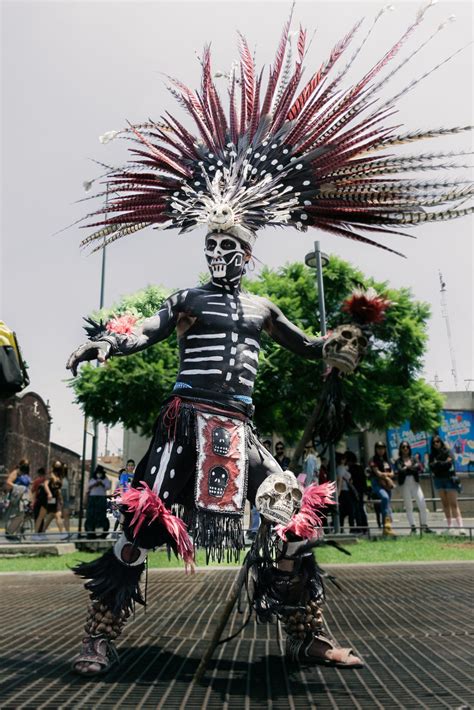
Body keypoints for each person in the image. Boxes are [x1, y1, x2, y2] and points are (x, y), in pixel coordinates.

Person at [64, 5, 470, 677]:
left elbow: (308, 345)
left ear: (247, 255)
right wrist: (105, 342)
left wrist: (340, 342)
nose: (221, 253)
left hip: (241, 430)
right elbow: (145, 329)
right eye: (212, 244)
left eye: (231, 246)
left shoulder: (262, 305)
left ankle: (307, 633)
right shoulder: (188, 300)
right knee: (135, 533)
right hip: (185, 425)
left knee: (290, 523)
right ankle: (97, 637)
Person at [393, 441, 433, 534]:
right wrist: (410, 468)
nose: (405, 448)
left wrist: (407, 468)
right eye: (403, 447)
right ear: (400, 449)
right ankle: (413, 527)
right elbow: (400, 471)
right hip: (404, 484)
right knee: (408, 506)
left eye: (407, 447)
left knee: (422, 504)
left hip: (415, 483)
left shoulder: (414, 458)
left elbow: (419, 468)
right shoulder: (398, 461)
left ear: (409, 448)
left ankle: (424, 526)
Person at [429, 436, 465, 535]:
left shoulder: (448, 451)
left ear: (441, 442)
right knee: (445, 504)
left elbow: (449, 464)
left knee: (453, 503)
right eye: (434, 442)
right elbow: (432, 467)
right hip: (438, 480)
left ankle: (461, 527)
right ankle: (450, 526)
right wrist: (442, 464)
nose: (436, 443)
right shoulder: (432, 455)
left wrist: (438, 464)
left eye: (437, 441)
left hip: (449, 479)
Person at [368, 442, 395, 536]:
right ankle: (385, 525)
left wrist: (386, 476)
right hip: (377, 484)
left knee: (387, 504)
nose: (381, 450)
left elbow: (392, 473)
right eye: (379, 448)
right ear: (375, 449)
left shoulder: (387, 460)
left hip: (387, 485)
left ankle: (387, 528)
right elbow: (377, 473)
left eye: (383, 448)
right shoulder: (372, 460)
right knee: (385, 498)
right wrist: (387, 477)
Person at [34, 461, 66, 538]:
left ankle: (62, 533)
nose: (58, 467)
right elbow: (45, 484)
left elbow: (57, 489)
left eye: (59, 465)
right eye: (56, 465)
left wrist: (60, 497)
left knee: (57, 515)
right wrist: (49, 493)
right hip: (49, 498)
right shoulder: (51, 475)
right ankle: (35, 535)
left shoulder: (59, 476)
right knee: (42, 515)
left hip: (55, 498)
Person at [4, 459, 31, 540]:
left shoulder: (25, 474)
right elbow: (8, 482)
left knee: (21, 514)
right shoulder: (16, 472)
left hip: (24, 496)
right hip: (17, 496)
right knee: (20, 514)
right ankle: (9, 532)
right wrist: (17, 487)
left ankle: (14, 532)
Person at [344, 451, 368, 533]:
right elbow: (364, 481)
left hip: (353, 491)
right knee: (360, 509)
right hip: (360, 491)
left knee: (356, 510)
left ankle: (358, 527)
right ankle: (364, 527)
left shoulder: (351, 469)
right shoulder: (360, 467)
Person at [85, 465, 111, 539]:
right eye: (98, 472)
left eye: (100, 472)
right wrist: (95, 484)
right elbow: (89, 486)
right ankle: (90, 532)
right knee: (91, 514)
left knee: (101, 514)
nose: (99, 474)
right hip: (93, 497)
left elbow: (108, 487)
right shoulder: (93, 478)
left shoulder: (105, 479)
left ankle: (103, 531)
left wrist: (102, 484)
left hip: (101, 497)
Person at [336, 452, 356, 533]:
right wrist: (338, 493)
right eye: (343, 458)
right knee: (349, 510)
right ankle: (350, 528)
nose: (345, 460)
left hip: (345, 491)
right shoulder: (340, 468)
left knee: (344, 511)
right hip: (343, 492)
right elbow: (340, 480)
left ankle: (342, 528)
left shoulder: (343, 467)